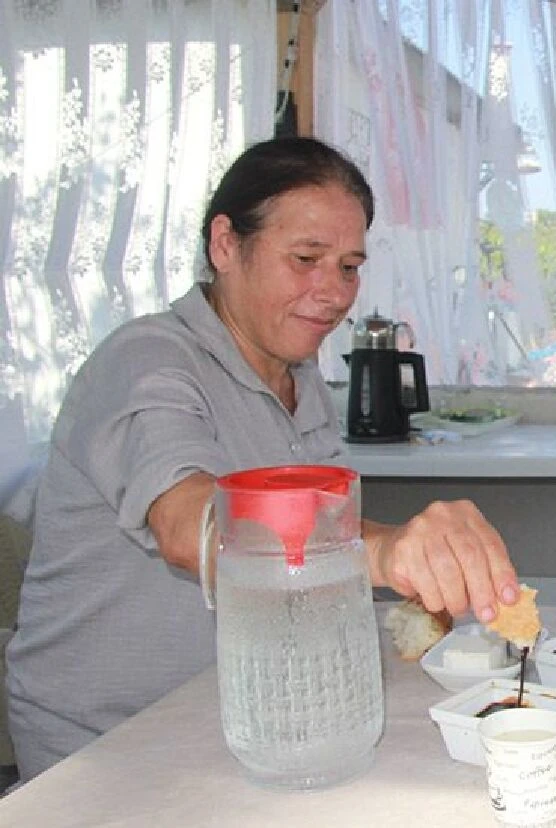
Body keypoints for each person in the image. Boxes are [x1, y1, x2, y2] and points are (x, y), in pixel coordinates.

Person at [4, 137, 521, 781]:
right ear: (225, 245)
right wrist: (385, 548)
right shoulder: (144, 362)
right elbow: (187, 525)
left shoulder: (303, 387)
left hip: (248, 718)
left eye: (349, 267)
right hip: (106, 744)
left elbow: (305, 554)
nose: (332, 293)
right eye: (305, 259)